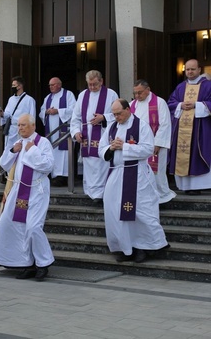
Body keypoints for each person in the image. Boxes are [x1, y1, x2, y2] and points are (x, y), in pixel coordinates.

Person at [99, 99, 169, 263]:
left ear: (128, 109)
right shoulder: (111, 127)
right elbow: (101, 149)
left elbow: (148, 149)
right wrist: (111, 148)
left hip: (137, 173)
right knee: (114, 211)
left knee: (140, 211)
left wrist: (124, 147)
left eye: (119, 113)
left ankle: (143, 247)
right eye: (114, 114)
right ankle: (124, 248)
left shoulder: (141, 126)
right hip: (116, 173)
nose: (116, 117)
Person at [0, 114, 55, 281]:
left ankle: (43, 263)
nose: (20, 128)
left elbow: (48, 166)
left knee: (33, 227)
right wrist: (13, 151)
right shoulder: (18, 143)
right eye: (18, 125)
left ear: (33, 126)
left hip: (37, 191)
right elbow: (3, 163)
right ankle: (24, 263)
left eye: (23, 125)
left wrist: (32, 150)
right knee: (8, 224)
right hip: (18, 190)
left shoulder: (43, 143)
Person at [70, 70, 118, 200]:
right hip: (86, 135)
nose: (92, 87)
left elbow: (118, 114)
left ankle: (101, 194)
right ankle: (90, 193)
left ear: (101, 81)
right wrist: (76, 132)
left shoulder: (111, 94)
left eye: (94, 84)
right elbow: (76, 117)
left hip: (103, 134)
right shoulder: (82, 95)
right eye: (89, 84)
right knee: (89, 165)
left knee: (101, 165)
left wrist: (103, 117)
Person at [167, 59, 211, 195]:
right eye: (187, 69)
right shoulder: (180, 87)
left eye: (193, 69)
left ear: (199, 70)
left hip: (200, 128)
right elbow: (171, 102)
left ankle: (201, 185)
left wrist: (196, 105)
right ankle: (187, 186)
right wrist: (180, 105)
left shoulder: (208, 85)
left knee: (199, 153)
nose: (190, 72)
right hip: (182, 130)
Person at [130, 79, 176, 203]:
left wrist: (158, 143)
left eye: (140, 93)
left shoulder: (159, 103)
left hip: (155, 146)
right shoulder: (133, 105)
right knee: (141, 173)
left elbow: (165, 124)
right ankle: (146, 198)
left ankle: (162, 197)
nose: (137, 96)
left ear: (148, 90)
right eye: (135, 93)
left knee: (156, 173)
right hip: (138, 146)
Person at [39, 77, 76, 186]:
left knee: (64, 153)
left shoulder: (68, 95)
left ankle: (64, 176)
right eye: (50, 85)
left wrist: (58, 111)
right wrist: (46, 111)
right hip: (51, 130)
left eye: (53, 85)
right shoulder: (48, 98)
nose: (50, 87)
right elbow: (41, 111)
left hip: (63, 130)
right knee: (52, 151)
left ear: (59, 85)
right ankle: (55, 176)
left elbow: (74, 109)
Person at [0, 76, 37, 152]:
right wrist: (2, 113)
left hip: (23, 129)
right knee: (9, 150)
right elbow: (8, 114)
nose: (12, 87)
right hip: (11, 129)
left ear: (20, 86)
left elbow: (32, 117)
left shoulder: (29, 100)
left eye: (14, 85)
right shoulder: (11, 99)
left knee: (21, 150)